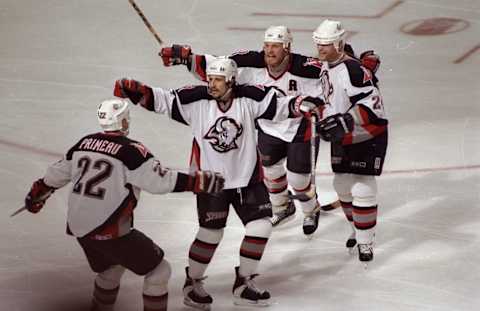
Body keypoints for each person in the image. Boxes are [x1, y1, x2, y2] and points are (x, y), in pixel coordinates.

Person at [113, 58, 323, 309]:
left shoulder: (250, 97)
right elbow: (162, 100)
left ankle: (244, 283)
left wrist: (301, 103)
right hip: (211, 181)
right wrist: (138, 91)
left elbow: (280, 105)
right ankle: (193, 283)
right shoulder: (196, 100)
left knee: (260, 228)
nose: (211, 84)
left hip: (248, 179)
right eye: (209, 78)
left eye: (217, 80)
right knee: (210, 234)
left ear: (231, 81)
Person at [159, 26, 380, 235]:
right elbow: (217, 66)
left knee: (298, 180)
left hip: (298, 128)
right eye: (267, 45)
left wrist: (363, 68)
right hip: (268, 126)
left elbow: (338, 73)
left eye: (275, 46)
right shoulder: (249, 62)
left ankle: (310, 210)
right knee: (271, 170)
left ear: (287, 48)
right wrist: (187, 58)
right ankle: (282, 207)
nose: (269, 51)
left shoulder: (307, 67)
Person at [23, 98, 225, 311]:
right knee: (159, 271)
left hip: (81, 230)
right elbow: (159, 182)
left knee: (111, 268)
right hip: (111, 232)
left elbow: (54, 176)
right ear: (123, 121)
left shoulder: (83, 143)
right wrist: (199, 181)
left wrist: (38, 194)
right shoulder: (131, 151)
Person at [312, 20, 388, 262]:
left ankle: (366, 241)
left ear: (338, 43)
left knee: (363, 186)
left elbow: (373, 103)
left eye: (325, 44)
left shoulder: (351, 69)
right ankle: (357, 228)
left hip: (368, 133)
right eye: (318, 43)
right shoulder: (326, 66)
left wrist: (346, 120)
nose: (320, 48)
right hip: (342, 134)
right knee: (342, 185)